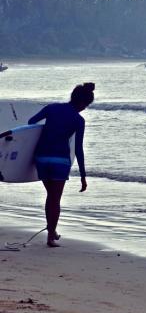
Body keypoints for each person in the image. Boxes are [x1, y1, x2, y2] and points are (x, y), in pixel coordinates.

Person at [27, 82, 94, 247]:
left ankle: (52, 231)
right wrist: (83, 176)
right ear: (82, 103)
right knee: (54, 199)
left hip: (41, 158)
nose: (84, 109)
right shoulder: (78, 119)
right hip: (60, 161)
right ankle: (50, 236)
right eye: (85, 105)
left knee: (51, 197)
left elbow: (31, 122)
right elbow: (78, 148)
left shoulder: (51, 108)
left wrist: (48, 131)